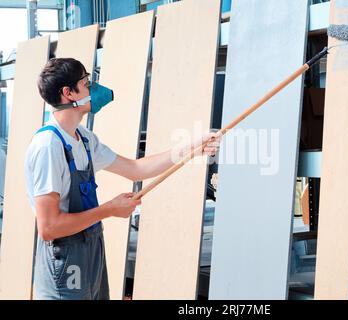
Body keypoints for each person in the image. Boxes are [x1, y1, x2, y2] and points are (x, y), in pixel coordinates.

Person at [25, 58, 221, 300]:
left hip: (91, 250)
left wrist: (192, 147)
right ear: (68, 93)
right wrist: (109, 209)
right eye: (86, 84)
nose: (94, 89)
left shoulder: (84, 139)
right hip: (64, 259)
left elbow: (136, 169)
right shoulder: (48, 147)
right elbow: (49, 227)